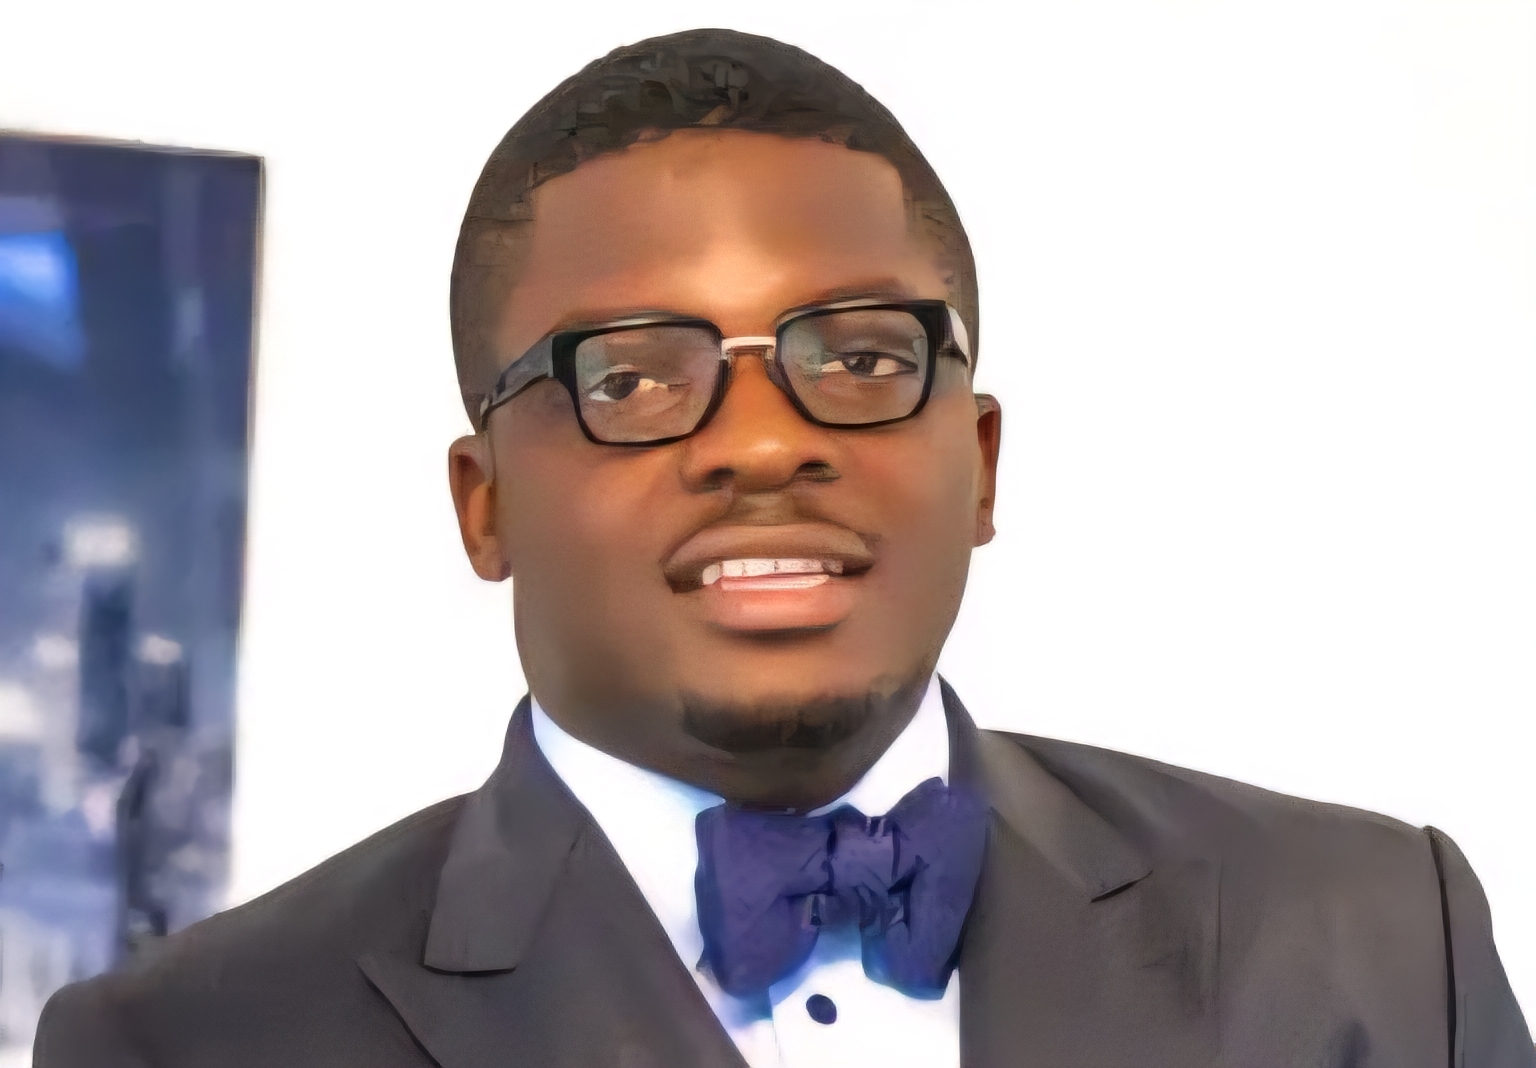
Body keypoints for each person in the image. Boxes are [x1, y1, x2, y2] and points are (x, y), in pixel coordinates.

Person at [35, 27, 1532, 1068]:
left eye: (863, 357)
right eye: (632, 378)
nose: (761, 443)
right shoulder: (191, 1043)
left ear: (980, 462)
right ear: (484, 506)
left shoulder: (1376, 938)